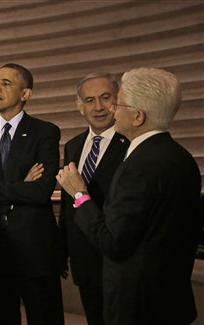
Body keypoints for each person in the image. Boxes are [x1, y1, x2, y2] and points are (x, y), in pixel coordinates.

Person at [57, 67, 202, 325]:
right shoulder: (183, 159)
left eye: (117, 102)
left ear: (137, 116)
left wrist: (79, 193)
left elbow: (114, 242)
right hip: (169, 300)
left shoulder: (136, 167)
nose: (111, 109)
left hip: (137, 305)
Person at [0, 63, 64, 325]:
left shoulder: (45, 132)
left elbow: (40, 191)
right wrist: (20, 186)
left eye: (6, 83)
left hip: (34, 249)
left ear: (25, 94)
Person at [58, 72, 130, 325]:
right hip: (84, 263)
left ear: (118, 100)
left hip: (119, 266)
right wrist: (63, 250)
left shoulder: (132, 144)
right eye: (89, 100)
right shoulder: (73, 146)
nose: (98, 107)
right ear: (80, 107)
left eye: (105, 98)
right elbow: (69, 204)